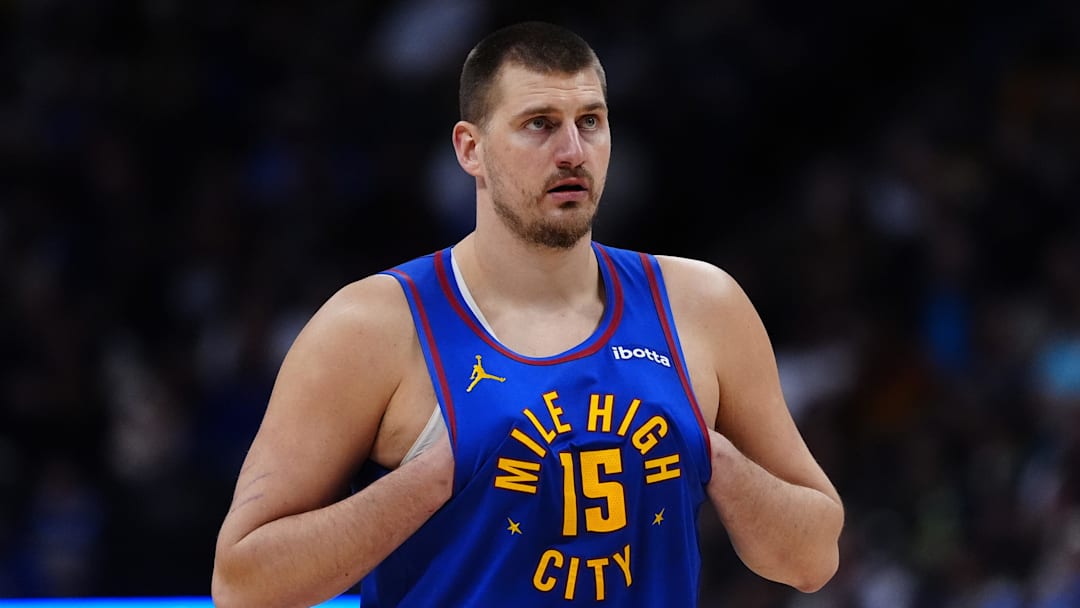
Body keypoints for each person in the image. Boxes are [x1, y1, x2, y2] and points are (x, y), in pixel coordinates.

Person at [211, 20, 844, 607]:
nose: (572, 150)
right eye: (539, 123)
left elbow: (813, 556)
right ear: (471, 148)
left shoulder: (701, 304)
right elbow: (241, 583)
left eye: (590, 121)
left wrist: (712, 455)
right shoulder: (373, 325)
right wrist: (434, 477)